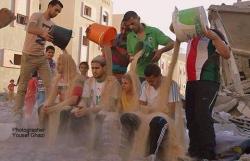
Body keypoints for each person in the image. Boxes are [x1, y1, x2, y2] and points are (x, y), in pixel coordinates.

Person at [182, 28, 230, 159]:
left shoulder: (213, 33)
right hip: (191, 81)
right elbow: (172, 29)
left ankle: (208, 153)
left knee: (202, 115)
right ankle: (194, 151)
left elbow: (226, 54)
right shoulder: (190, 35)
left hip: (208, 81)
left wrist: (214, 37)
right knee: (191, 117)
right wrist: (176, 20)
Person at [13, 0, 63, 121]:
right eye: (56, 10)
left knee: (50, 85)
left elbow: (52, 38)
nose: (57, 13)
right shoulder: (37, 15)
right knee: (22, 87)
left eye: (59, 12)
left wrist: (62, 39)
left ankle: (48, 112)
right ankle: (17, 114)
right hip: (28, 56)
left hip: (41, 57)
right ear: (50, 6)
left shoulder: (52, 24)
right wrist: (43, 33)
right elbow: (30, 28)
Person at [39, 53, 84, 144]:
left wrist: (55, 108)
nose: (57, 66)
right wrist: (46, 106)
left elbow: (74, 100)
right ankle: (44, 137)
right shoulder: (58, 79)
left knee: (63, 112)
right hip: (63, 105)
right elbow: (51, 97)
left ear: (66, 64)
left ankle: (60, 142)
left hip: (75, 106)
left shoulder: (77, 78)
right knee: (41, 109)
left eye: (60, 64)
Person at [122, 11, 174, 81]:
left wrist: (160, 51)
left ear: (138, 19)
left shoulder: (154, 32)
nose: (131, 27)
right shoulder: (129, 36)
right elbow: (130, 54)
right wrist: (132, 58)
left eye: (132, 23)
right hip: (137, 77)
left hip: (153, 76)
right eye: (128, 26)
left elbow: (172, 43)